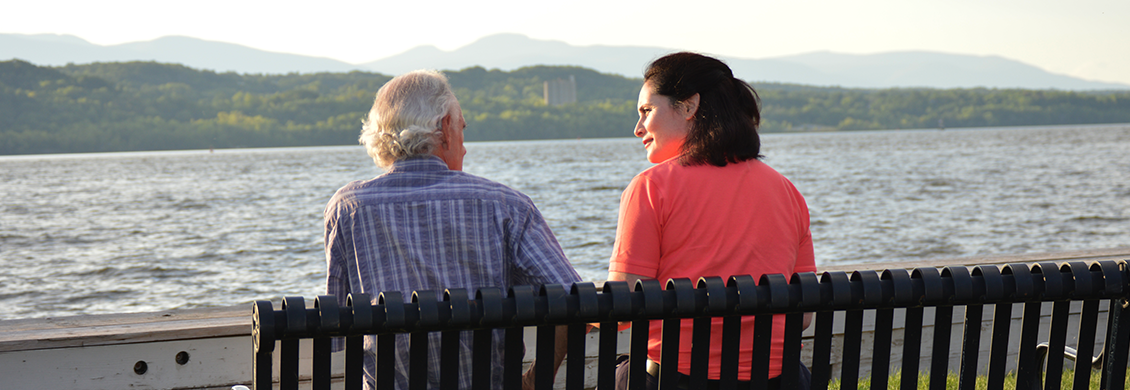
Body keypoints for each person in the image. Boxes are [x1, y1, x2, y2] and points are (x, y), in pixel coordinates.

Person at [325, 69, 582, 390]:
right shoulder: (506, 205)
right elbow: (576, 302)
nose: (464, 146)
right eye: (462, 128)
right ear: (446, 128)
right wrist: (532, 381)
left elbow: (337, 326)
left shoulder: (347, 207)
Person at [607, 52, 817, 390]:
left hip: (676, 380)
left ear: (689, 107)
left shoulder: (650, 188)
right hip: (778, 379)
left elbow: (622, 304)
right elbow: (803, 315)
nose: (638, 128)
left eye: (647, 111)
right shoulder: (786, 191)